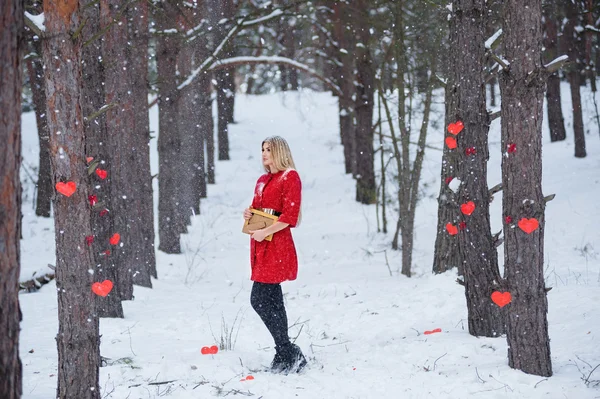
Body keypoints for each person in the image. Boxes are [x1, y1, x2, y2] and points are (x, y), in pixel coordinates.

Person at [243, 136, 307, 374]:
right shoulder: (262, 180)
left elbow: (289, 217)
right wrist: (249, 215)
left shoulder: (290, 176)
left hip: (276, 244)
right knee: (272, 299)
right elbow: (258, 209)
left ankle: (287, 350)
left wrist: (265, 232)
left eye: (269, 149)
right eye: (262, 149)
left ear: (280, 152)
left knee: (258, 299)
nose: (264, 153)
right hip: (261, 245)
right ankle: (287, 352)